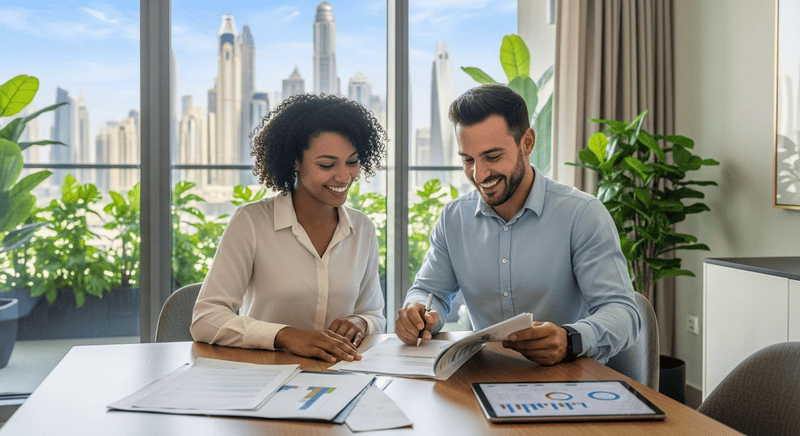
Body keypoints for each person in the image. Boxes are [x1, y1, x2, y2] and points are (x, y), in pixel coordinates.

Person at [395, 84, 641, 366]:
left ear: (527, 143)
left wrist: (569, 338)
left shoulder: (582, 214)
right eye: (468, 160)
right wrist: (417, 312)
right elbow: (430, 293)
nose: (479, 174)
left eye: (492, 156)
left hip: (568, 377)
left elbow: (624, 314)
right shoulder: (454, 218)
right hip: (483, 375)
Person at [191, 93, 387, 363]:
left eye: (352, 162)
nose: (344, 176)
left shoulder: (362, 229)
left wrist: (360, 322)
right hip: (267, 374)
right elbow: (206, 319)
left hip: (340, 375)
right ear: (294, 161)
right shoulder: (251, 222)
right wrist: (284, 335)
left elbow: (374, 315)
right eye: (327, 164)